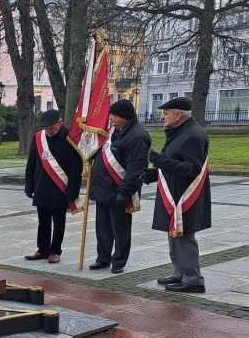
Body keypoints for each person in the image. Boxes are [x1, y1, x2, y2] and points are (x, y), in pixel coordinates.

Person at [143, 97, 211, 293]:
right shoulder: (180, 132)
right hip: (174, 194)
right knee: (175, 235)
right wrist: (152, 174)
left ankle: (193, 279)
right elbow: (175, 162)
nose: (162, 117)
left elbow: (192, 168)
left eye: (166, 114)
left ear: (178, 115)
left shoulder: (192, 135)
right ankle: (181, 273)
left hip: (185, 197)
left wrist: (159, 160)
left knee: (184, 237)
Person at [88, 99, 150, 274]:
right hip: (103, 190)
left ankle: (119, 261)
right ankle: (103, 258)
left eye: (114, 115)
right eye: (110, 114)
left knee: (120, 229)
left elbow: (136, 168)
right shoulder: (114, 131)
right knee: (103, 229)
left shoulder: (137, 136)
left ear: (125, 117)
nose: (110, 118)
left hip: (119, 190)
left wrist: (124, 193)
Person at [24, 109, 83, 264]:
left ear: (59, 123)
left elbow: (76, 168)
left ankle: (55, 251)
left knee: (58, 222)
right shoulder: (39, 138)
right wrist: (29, 185)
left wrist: (73, 191)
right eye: (46, 128)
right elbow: (31, 163)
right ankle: (43, 250)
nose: (49, 131)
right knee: (43, 222)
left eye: (52, 128)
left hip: (60, 188)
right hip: (42, 187)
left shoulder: (70, 138)